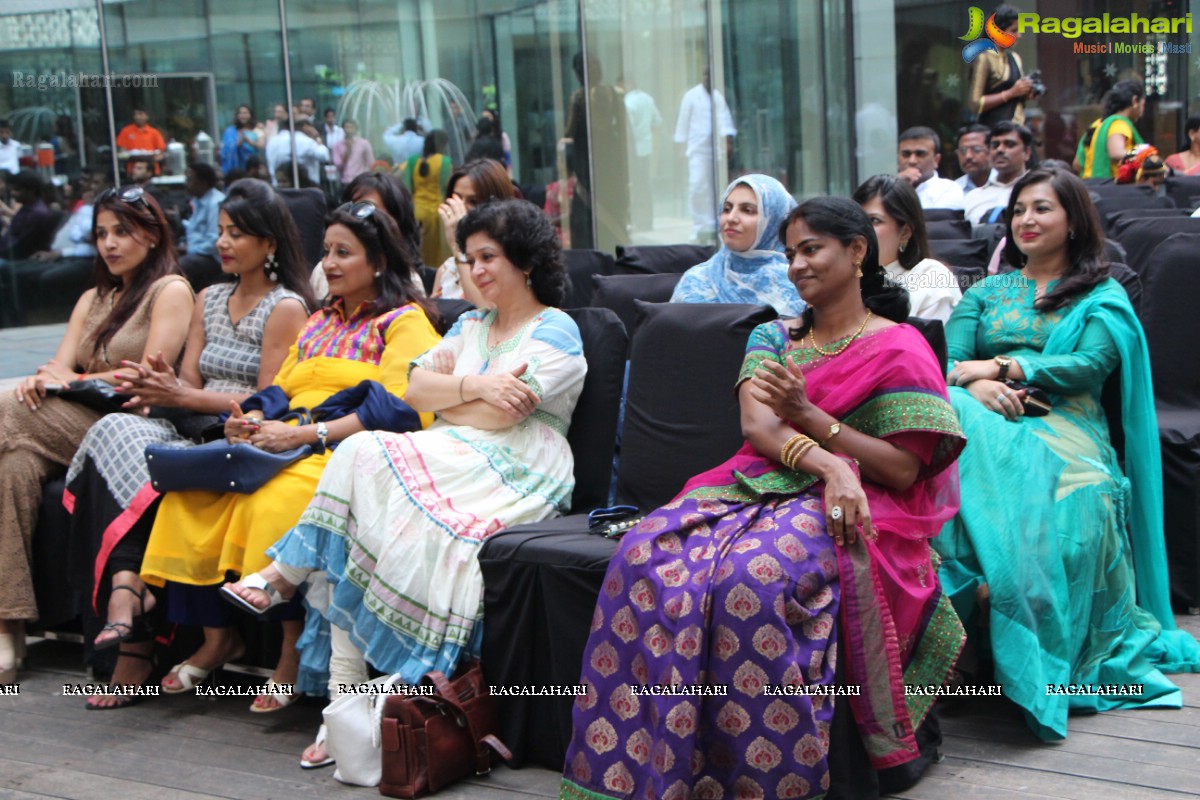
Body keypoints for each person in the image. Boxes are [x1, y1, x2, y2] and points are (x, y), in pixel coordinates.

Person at [562, 195, 966, 800]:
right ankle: (648, 765)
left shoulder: (900, 346)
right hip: (754, 484)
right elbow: (760, 428)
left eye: (812, 250)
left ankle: (761, 778)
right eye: (791, 253)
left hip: (865, 499)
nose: (798, 265)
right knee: (643, 554)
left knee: (752, 577)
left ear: (857, 252)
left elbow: (904, 469)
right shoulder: (771, 335)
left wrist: (810, 417)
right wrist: (830, 460)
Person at [223, 198, 585, 768]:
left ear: (526, 260)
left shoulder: (557, 330)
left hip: (517, 464)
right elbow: (414, 393)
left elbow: (506, 417)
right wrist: (481, 387)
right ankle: (343, 706)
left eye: (489, 256)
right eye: (469, 257)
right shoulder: (469, 324)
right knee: (362, 479)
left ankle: (289, 589)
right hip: (445, 450)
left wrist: (462, 396)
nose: (478, 269)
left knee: (369, 455)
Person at [138, 200, 439, 710]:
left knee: (269, 503)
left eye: (345, 253)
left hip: (343, 450)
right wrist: (249, 420)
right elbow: (279, 391)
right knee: (188, 495)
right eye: (326, 253)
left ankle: (289, 655)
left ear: (380, 261)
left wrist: (304, 438)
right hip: (287, 437)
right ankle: (215, 638)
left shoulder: (403, 322)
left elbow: (399, 409)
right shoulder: (320, 321)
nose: (331, 265)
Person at [938, 166, 1200, 740]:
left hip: (1068, 423)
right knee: (952, 437)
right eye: (1019, 210)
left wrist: (1005, 365)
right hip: (984, 419)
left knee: (1070, 506)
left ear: (1074, 221)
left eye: (1042, 209)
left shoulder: (1102, 295)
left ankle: (1028, 649)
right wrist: (980, 383)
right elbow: (952, 364)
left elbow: (1087, 367)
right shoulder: (983, 292)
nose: (1026, 220)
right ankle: (973, 635)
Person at [65, 179, 313, 708]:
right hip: (194, 426)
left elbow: (268, 397)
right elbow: (189, 382)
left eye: (237, 234)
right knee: (117, 431)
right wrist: (166, 390)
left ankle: (140, 602)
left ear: (269, 244)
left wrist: (178, 392)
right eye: (220, 231)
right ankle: (141, 592)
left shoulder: (286, 306)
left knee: (189, 480)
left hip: (248, 436)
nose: (222, 243)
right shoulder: (210, 295)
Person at [0, 185, 194, 686]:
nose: (108, 244)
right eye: (102, 234)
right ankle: (9, 623)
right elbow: (58, 367)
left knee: (3, 410)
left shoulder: (169, 289)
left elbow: (149, 378)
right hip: (67, 422)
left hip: (126, 425)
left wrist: (74, 382)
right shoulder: (93, 296)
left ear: (152, 235)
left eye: (121, 232)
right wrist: (50, 380)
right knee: (13, 467)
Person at [670, 173, 803, 317]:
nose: (731, 218)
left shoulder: (800, 282)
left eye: (747, 210)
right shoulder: (697, 280)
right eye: (726, 209)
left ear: (774, 221)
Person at [854, 174, 961, 323]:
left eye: (874, 221)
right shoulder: (845, 278)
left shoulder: (931, 279)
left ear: (904, 232)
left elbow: (932, 344)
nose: (860, 230)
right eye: (856, 219)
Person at [311, 171, 424, 300]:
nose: (329, 264)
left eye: (366, 211)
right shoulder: (321, 272)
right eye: (326, 251)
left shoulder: (409, 287)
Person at [431, 159, 516, 305]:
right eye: (456, 199)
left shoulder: (511, 263)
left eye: (474, 202)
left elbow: (486, 315)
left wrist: (458, 247)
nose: (461, 209)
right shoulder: (447, 269)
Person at [674, 67, 737, 240]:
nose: (707, 78)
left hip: (715, 150)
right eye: (704, 74)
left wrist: (727, 142)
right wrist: (681, 147)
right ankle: (698, 225)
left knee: (714, 188)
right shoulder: (691, 96)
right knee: (697, 185)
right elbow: (683, 122)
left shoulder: (717, 96)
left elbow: (725, 121)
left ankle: (711, 223)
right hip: (696, 150)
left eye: (710, 75)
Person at [967, 4, 1034, 127]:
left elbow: (1018, 93)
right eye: (1014, 30)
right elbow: (975, 104)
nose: (1018, 35)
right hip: (993, 128)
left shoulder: (1015, 58)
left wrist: (1028, 92)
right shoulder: (985, 58)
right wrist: (1011, 93)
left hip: (1017, 127)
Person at [398, 130, 452, 269]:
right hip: (436, 213)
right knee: (436, 253)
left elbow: (405, 185)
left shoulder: (412, 161)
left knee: (418, 250)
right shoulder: (444, 161)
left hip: (416, 211)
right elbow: (446, 186)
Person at [963, 121, 1032, 224]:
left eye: (1009, 144)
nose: (1000, 150)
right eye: (995, 145)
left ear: (1026, 152)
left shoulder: (1037, 191)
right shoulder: (973, 197)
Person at [1074, 80, 1145, 179]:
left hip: (1089, 186)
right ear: (1135, 101)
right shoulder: (1118, 124)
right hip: (1110, 189)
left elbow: (1077, 164)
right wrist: (1145, 155)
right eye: (1143, 104)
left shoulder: (1096, 125)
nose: (1143, 110)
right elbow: (1115, 152)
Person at [620, 76, 663, 229]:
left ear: (627, 83)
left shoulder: (628, 102)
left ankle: (637, 220)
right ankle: (647, 221)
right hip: (646, 148)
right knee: (645, 184)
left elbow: (627, 128)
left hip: (633, 150)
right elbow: (658, 121)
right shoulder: (647, 98)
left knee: (635, 186)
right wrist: (646, 133)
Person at [177, 162, 226, 290]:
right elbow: (194, 230)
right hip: (197, 252)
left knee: (180, 265)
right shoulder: (197, 201)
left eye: (190, 179)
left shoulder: (215, 203)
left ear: (202, 182)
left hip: (214, 257)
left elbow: (214, 240)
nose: (186, 183)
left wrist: (189, 250)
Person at [897, 127, 964, 210]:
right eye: (906, 154)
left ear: (936, 160)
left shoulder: (948, 189)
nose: (912, 161)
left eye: (920, 154)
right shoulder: (889, 188)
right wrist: (896, 183)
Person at [0, 170, 57, 261]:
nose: (13, 193)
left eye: (17, 190)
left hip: (19, 259)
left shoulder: (37, 214)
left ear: (31, 191)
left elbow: (20, 245)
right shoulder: (27, 209)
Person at [266, 119, 329, 188]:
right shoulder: (305, 140)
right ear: (304, 127)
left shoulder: (271, 141)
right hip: (304, 187)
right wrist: (319, 142)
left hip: (277, 186)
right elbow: (323, 156)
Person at [116, 107, 167, 176]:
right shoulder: (126, 131)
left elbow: (161, 152)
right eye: (135, 114)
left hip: (152, 172)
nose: (137, 117)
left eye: (140, 114)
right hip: (132, 171)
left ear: (147, 116)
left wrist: (149, 159)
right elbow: (122, 152)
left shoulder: (154, 132)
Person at [221, 105, 265, 175]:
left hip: (252, 165)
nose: (243, 115)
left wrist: (248, 141)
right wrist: (237, 144)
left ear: (251, 115)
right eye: (240, 113)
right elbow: (226, 148)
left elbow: (261, 146)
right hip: (237, 165)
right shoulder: (231, 131)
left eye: (245, 113)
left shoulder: (256, 130)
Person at [331, 119, 374, 185]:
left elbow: (371, 163)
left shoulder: (364, 143)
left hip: (361, 181)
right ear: (343, 129)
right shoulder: (337, 146)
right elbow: (338, 166)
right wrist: (347, 152)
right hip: (345, 181)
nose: (349, 130)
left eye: (351, 127)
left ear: (355, 129)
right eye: (347, 127)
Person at [953, 123, 994, 193]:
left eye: (976, 150)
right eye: (963, 151)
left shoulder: (1006, 183)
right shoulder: (954, 190)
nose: (968, 156)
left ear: (991, 150)